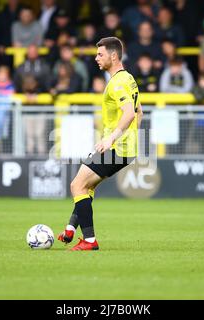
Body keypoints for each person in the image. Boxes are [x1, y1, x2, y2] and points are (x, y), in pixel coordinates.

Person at [57, 37, 143, 251]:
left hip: (118, 147)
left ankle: (89, 240)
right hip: (125, 147)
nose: (96, 58)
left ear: (113, 56)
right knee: (86, 186)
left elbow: (130, 113)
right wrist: (128, 136)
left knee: (77, 185)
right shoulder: (128, 78)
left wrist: (112, 137)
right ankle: (70, 229)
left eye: (100, 54)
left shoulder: (118, 82)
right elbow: (139, 111)